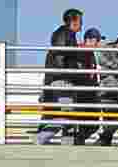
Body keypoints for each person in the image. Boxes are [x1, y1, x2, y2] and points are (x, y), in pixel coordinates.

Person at [37, 9, 84, 145]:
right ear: (74, 21)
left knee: (67, 114)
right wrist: (71, 72)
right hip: (62, 81)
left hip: (62, 80)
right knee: (67, 115)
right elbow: (61, 57)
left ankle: (66, 145)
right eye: (80, 21)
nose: (82, 24)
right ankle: (41, 138)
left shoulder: (66, 34)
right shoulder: (64, 34)